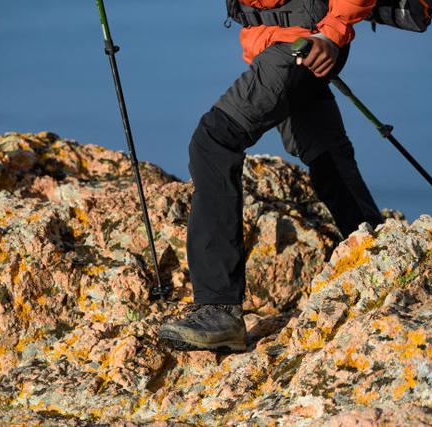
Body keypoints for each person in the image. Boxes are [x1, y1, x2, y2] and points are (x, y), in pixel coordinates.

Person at [158, 0, 383, 352]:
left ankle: (219, 309)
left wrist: (331, 34)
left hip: (304, 44)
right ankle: (380, 253)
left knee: (213, 143)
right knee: (324, 153)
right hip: (282, 42)